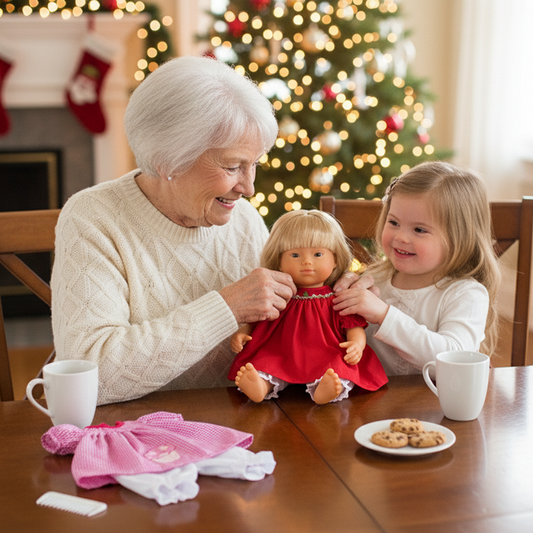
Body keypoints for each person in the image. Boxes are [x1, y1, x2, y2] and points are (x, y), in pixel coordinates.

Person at [50, 56, 369, 405]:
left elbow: (296, 319)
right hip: (135, 435)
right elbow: (88, 374)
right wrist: (226, 308)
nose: (248, 188)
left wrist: (344, 290)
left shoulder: (242, 219)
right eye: (233, 166)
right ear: (168, 160)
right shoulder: (93, 218)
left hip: (244, 426)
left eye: (255, 165)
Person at [333, 161, 501, 375]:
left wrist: (384, 315)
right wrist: (335, 292)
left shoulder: (466, 294)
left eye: (419, 229)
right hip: (368, 405)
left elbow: (455, 360)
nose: (401, 237)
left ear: (458, 238)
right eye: (393, 223)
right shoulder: (374, 279)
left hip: (436, 405)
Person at [228, 210, 388, 404]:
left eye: (318, 254)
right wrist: (243, 331)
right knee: (266, 361)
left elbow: (353, 326)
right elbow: (257, 315)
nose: (307, 262)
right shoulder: (277, 293)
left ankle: (327, 389)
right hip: (282, 351)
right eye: (295, 255)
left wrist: (357, 345)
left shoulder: (339, 296)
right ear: (279, 261)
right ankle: (262, 385)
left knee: (338, 367)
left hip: (326, 352)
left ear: (335, 259)